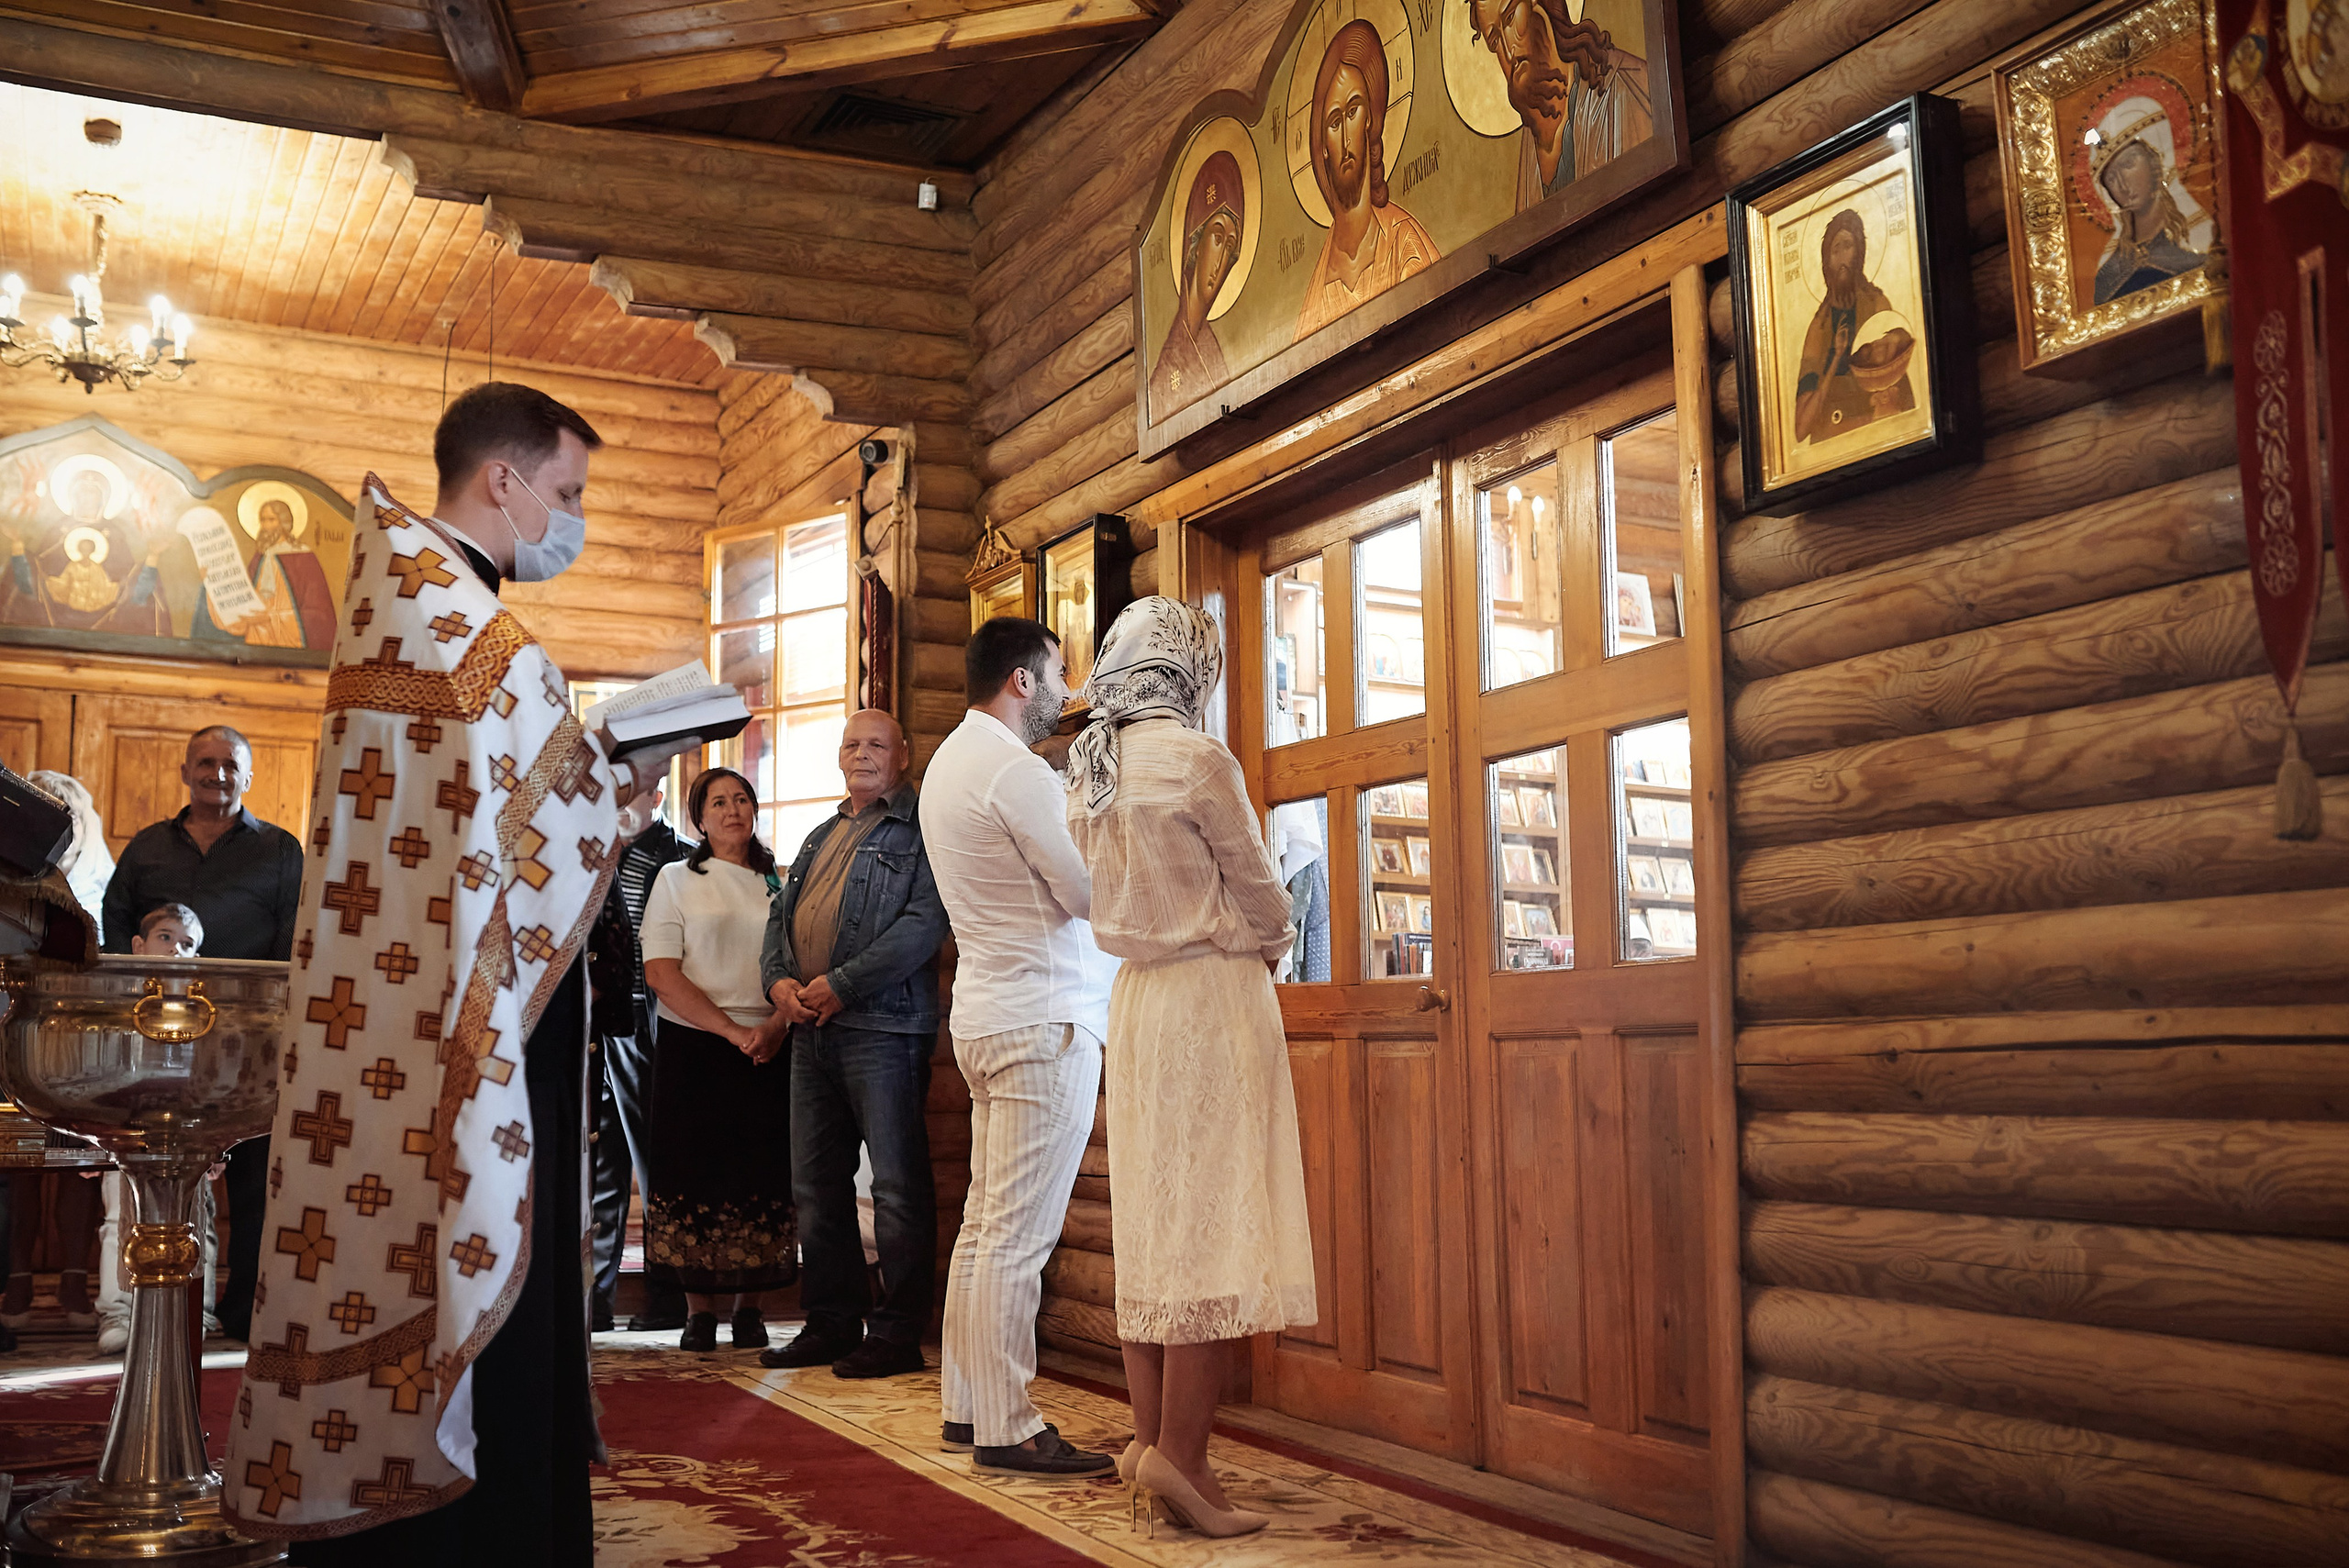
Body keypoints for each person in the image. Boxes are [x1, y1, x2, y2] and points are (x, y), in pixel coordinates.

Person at [224, 381, 698, 1563]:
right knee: (477, 1256)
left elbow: (488, 820)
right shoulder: (464, 621)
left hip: (407, 998)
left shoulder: (408, 600)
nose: (572, 517)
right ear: (505, 478)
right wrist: (619, 777)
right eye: (569, 492)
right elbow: (523, 820)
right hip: (470, 1019)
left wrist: (603, 781)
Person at [1064, 597, 1316, 1537]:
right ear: (1189, 670)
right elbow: (1258, 886)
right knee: (1210, 1223)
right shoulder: (1197, 758)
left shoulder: (1088, 764)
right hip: (1210, 996)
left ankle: (1148, 1440)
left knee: (1154, 1223)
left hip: (1135, 999)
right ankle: (1188, 1459)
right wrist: (1278, 943)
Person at [922, 617, 1119, 1479]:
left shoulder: (945, 766)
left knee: (984, 1225)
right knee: (1017, 1235)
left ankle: (969, 1405)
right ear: (1022, 681)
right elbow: (1083, 891)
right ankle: (1007, 1422)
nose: (1069, 687)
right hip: (1044, 1018)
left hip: (988, 1014)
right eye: (1060, 671)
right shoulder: (1016, 770)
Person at [757, 709, 948, 1378]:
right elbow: (779, 918)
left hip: (885, 1029)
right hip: (811, 1031)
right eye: (851, 743)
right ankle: (832, 1322)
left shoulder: (923, 829)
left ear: (903, 755)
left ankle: (897, 1332)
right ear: (839, 756)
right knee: (816, 1186)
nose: (861, 753)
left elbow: (925, 923)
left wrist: (840, 983)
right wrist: (779, 984)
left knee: (896, 1187)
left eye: (876, 744)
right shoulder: (818, 834)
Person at [101, 724, 302, 1343]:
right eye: (206, 764)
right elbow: (114, 928)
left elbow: (296, 934)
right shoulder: (146, 848)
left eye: (230, 766)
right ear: (185, 771)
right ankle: (146, 1306)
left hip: (250, 1036)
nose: (217, 775)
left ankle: (244, 1312)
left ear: (249, 776)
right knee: (159, 1169)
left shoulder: (279, 848)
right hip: (159, 1035)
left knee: (256, 1180)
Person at [640, 765, 796, 1352]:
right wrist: (730, 1030)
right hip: (696, 1047)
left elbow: (797, 963)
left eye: (741, 799)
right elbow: (660, 972)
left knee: (759, 1175)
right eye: (717, 803)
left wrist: (776, 1025)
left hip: (770, 1046)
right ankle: (698, 1312)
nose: (732, 810)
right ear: (697, 819)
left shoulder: (778, 881)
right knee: (695, 1174)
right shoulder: (675, 879)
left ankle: (750, 1308)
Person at [586, 780, 693, 1333]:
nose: (618, 803)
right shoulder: (588, 851)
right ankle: (596, 1301)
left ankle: (668, 1296)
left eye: (631, 793)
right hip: (594, 1028)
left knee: (656, 1163)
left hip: (649, 1027)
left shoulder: (682, 861)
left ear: (656, 795)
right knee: (600, 1167)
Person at [93, 904, 222, 1353]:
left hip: (189, 1135)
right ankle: (119, 1313)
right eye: (166, 937)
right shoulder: (115, 1005)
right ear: (139, 945)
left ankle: (194, 1314)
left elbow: (214, 1082)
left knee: (195, 1223)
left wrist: (218, 1147)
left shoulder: (205, 1013)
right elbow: (100, 1073)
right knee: (120, 1220)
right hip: (124, 1132)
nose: (177, 949)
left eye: (188, 944)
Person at [1293, 18, 1439, 342]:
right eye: (1333, 122)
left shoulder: (1404, 244)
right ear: (1323, 148)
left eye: (1353, 111)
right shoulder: (1316, 294)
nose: (1345, 136)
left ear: (1370, 119)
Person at [1468, 0, 1653, 213]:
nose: (1509, 54)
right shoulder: (1531, 142)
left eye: (1510, 18)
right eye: (1494, 41)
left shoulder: (1622, 87)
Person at [1792, 208, 1916, 445]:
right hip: (1830, 442)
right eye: (1834, 250)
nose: (1840, 258)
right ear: (1826, 261)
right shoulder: (1819, 326)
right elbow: (1801, 427)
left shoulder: (1877, 305)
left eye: (1847, 246)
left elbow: (1897, 391)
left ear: (1859, 252)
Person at [1148, 150, 1244, 415]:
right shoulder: (1165, 373)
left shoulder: (1213, 350)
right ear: (1195, 245)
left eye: (1230, 245)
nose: (1221, 258)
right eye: (1216, 236)